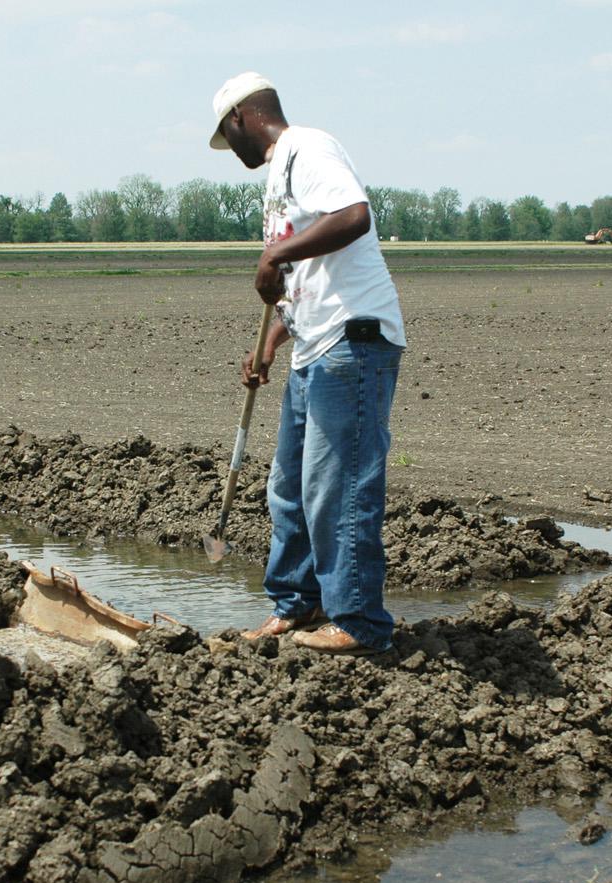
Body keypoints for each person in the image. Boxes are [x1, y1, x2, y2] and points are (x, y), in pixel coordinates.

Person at [209, 71, 406, 655]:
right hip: (314, 345)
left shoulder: (307, 147)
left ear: (242, 117)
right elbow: (308, 284)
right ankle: (296, 605)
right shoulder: (279, 175)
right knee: (289, 488)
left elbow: (352, 215)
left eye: (227, 135)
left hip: (354, 344)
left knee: (336, 485)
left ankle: (360, 623)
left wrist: (277, 253)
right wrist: (270, 341)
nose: (230, 149)